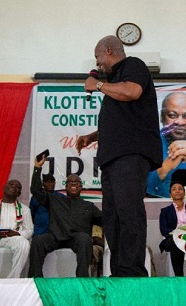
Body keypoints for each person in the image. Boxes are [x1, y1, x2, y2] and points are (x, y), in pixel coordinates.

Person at [76, 35, 162, 277]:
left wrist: (99, 85)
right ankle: (119, 270)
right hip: (112, 159)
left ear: (110, 50)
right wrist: (93, 137)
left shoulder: (133, 65)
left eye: (98, 57)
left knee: (129, 212)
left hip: (130, 156)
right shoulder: (114, 82)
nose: (98, 63)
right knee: (112, 218)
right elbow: (122, 122)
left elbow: (133, 92)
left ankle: (132, 271)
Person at [28, 155, 102, 277]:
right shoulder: (54, 199)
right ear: (66, 186)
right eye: (70, 182)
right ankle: (35, 279)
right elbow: (36, 190)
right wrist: (37, 168)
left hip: (76, 239)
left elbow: (104, 220)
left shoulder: (89, 206)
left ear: (81, 187)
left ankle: (82, 279)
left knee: (85, 239)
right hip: (55, 237)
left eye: (77, 182)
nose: (73, 183)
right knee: (38, 240)